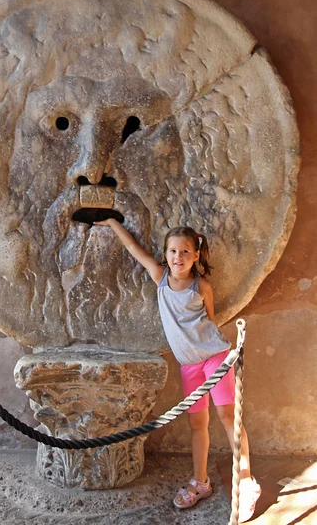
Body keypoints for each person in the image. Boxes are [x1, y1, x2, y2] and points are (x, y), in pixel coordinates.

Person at [94, 218, 261, 522]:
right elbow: (133, 248)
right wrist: (111, 222)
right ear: (166, 253)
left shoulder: (202, 286)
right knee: (198, 425)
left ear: (196, 255)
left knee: (229, 419)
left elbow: (210, 320)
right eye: (173, 251)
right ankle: (201, 482)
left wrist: (222, 355)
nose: (178, 257)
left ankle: (247, 482)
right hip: (189, 367)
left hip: (217, 358)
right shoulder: (160, 278)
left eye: (185, 252)